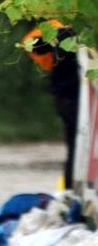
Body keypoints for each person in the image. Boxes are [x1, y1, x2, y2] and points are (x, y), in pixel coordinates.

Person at [26, 20, 81, 189]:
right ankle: (72, 190)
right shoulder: (58, 29)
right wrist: (65, 33)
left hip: (69, 96)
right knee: (76, 146)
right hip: (70, 97)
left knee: (76, 146)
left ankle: (72, 190)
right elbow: (32, 45)